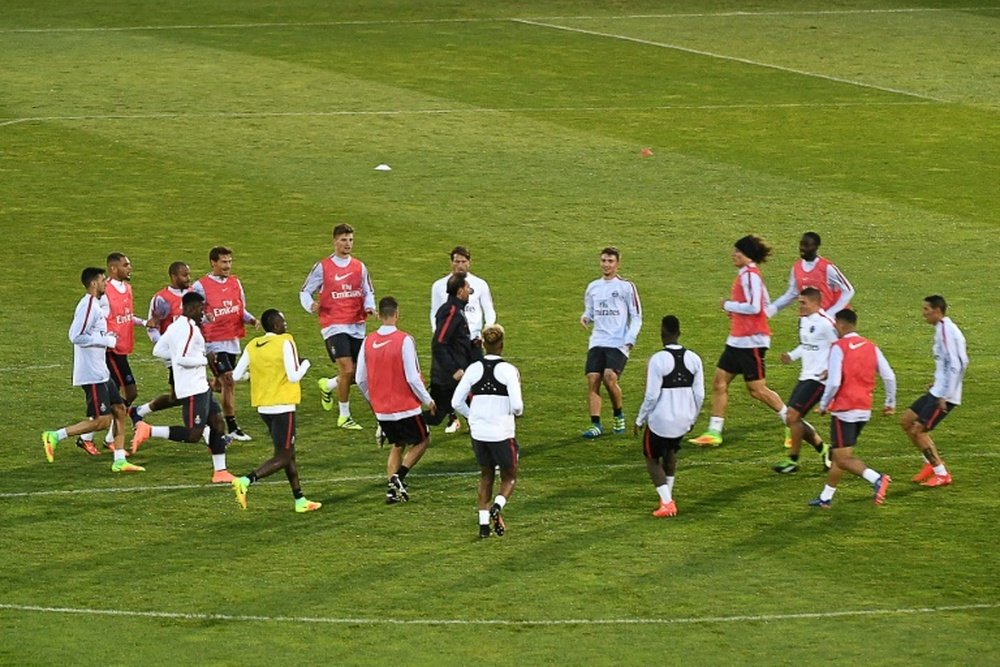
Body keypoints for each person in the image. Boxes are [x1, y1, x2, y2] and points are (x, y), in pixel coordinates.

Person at [41, 267, 143, 473]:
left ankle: (119, 460)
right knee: (102, 421)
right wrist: (106, 340)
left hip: (101, 371)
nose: (106, 283)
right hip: (91, 373)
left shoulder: (96, 305)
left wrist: (107, 336)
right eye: (103, 280)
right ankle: (55, 435)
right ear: (94, 283)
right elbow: (75, 336)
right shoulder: (88, 305)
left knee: (120, 410)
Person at [690, 235, 786, 447]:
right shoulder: (749, 275)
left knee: (757, 390)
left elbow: (755, 307)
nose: (734, 255)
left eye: (738, 252)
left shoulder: (750, 275)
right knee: (719, 382)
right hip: (738, 340)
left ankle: (793, 422)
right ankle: (714, 432)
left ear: (748, 255)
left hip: (751, 342)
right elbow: (766, 306)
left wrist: (729, 306)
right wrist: (739, 315)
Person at [130, 292, 236, 483]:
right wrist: (204, 359)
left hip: (199, 386)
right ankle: (148, 430)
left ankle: (220, 471)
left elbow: (158, 350)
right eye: (201, 309)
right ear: (192, 308)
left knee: (218, 422)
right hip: (193, 388)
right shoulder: (189, 329)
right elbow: (182, 358)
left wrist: (179, 361)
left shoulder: (175, 326)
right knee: (194, 434)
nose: (203, 313)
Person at [230, 309, 321, 513]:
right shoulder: (285, 342)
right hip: (283, 406)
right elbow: (294, 376)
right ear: (275, 325)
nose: (285, 324)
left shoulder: (253, 345)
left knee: (289, 453)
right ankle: (246, 480)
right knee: (283, 455)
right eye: (282, 321)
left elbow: (236, 375)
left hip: (264, 407)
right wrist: (306, 364)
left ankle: (300, 499)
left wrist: (256, 375)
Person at [810, 309, 896, 508]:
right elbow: (889, 375)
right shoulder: (871, 347)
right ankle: (825, 498)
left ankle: (877, 478)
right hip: (863, 409)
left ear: (840, 325)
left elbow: (833, 383)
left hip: (844, 410)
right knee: (842, 454)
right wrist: (889, 403)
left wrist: (823, 405)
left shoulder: (839, 347)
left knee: (841, 457)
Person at [356, 297, 435, 504]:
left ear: (380, 316)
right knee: (422, 440)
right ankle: (398, 477)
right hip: (406, 407)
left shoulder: (368, 341)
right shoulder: (404, 340)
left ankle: (391, 492)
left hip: (382, 409)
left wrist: (373, 401)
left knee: (398, 444)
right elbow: (412, 377)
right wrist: (428, 400)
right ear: (397, 314)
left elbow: (360, 379)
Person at [300, 223, 376, 430]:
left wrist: (369, 307)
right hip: (333, 324)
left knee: (359, 374)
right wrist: (311, 305)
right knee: (348, 368)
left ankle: (328, 385)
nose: (348, 244)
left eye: (350, 240)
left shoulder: (359, 267)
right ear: (334, 241)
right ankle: (344, 416)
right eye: (343, 240)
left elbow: (368, 291)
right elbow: (305, 291)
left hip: (357, 324)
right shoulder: (323, 267)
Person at [76, 253, 154, 453]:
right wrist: (106, 339)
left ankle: (98, 438)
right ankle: (99, 437)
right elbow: (97, 320)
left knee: (118, 400)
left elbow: (125, 317)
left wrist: (144, 322)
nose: (130, 268)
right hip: (111, 351)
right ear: (113, 268)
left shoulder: (127, 288)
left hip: (122, 347)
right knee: (127, 394)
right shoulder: (103, 294)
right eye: (125, 265)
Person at [452, 324, 523, 538]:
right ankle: (498, 506)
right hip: (501, 432)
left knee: (486, 475)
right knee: (509, 477)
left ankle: (483, 527)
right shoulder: (508, 370)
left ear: (483, 344)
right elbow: (518, 406)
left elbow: (456, 401)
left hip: (479, 432)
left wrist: (472, 415)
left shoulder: (473, 369)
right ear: (502, 344)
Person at [633, 316, 704, 518]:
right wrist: (693, 418)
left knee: (651, 457)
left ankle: (667, 502)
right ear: (679, 333)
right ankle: (668, 495)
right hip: (684, 421)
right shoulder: (694, 358)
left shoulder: (658, 359)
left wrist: (639, 420)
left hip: (661, 422)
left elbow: (651, 395)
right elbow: (699, 394)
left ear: (661, 334)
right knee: (670, 452)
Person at [900, 295, 968, 488]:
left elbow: (959, 363)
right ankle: (929, 463)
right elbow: (947, 363)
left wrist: (946, 394)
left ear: (937, 311)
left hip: (944, 396)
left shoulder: (948, 331)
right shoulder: (941, 329)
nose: (924, 314)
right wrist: (937, 381)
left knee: (918, 430)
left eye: (926, 310)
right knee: (906, 421)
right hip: (938, 390)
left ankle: (941, 473)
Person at [193, 246, 259, 441]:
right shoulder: (200, 286)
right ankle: (232, 427)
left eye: (229, 262)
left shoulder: (235, 283)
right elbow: (192, 313)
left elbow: (240, 309)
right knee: (229, 380)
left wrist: (252, 320)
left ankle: (197, 384)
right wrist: (205, 318)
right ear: (213, 263)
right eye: (223, 262)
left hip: (231, 339)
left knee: (222, 385)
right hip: (212, 342)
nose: (227, 266)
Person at [430, 245, 498, 433]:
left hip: (474, 342)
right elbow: (434, 313)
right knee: (453, 380)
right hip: (451, 344)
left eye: (463, 261)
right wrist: (440, 335)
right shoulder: (439, 286)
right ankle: (454, 418)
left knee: (474, 380)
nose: (460, 265)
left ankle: (471, 419)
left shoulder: (480, 284)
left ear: (469, 262)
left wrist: (487, 331)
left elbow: (489, 310)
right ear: (451, 262)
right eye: (456, 261)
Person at [580, 246, 642, 438]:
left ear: (617, 263)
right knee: (592, 379)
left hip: (618, 342)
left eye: (610, 261)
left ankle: (618, 414)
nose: (606, 265)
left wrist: (630, 339)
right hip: (597, 340)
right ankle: (596, 424)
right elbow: (590, 310)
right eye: (603, 261)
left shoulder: (626, 287)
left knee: (609, 378)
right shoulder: (593, 287)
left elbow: (637, 316)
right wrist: (585, 317)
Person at [772, 288, 835, 474]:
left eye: (803, 303)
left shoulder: (826, 324)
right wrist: (792, 356)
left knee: (792, 416)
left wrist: (830, 370)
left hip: (819, 380)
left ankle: (792, 460)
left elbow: (839, 348)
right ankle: (824, 449)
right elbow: (806, 345)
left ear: (816, 303)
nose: (799, 306)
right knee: (791, 418)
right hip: (805, 376)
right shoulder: (804, 320)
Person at [130, 261, 192, 425]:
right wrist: (164, 348)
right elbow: (152, 327)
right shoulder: (161, 299)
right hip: (174, 356)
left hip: (191, 351)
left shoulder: (192, 294)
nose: (188, 278)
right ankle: (206, 432)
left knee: (178, 396)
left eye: (189, 274)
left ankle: (139, 411)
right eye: (184, 275)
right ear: (173, 276)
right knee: (191, 394)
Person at [425, 273, 475, 429]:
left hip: (454, 374)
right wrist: (453, 369)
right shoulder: (451, 311)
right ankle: (396, 424)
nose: (470, 292)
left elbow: (454, 340)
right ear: (460, 292)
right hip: (448, 378)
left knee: (474, 409)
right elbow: (439, 343)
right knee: (436, 415)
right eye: (467, 288)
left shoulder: (455, 310)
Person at [766, 232, 855, 318]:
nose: (802, 248)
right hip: (807, 319)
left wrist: (830, 314)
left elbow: (848, 290)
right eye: (801, 245)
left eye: (806, 245)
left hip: (828, 320)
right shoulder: (796, 267)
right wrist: (771, 310)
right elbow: (792, 294)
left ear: (816, 247)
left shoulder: (826, 267)